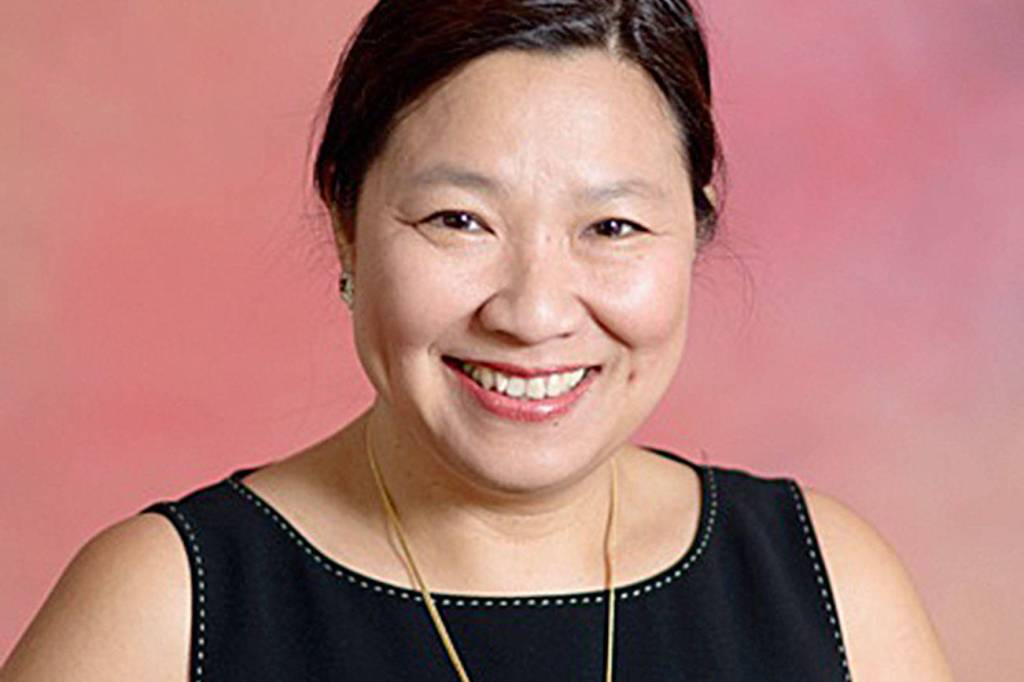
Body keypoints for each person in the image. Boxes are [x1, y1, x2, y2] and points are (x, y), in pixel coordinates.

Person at [2, 1, 954, 680]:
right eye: (459, 220)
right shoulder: (167, 609)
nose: (533, 313)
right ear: (345, 220)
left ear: (695, 228)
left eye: (612, 227)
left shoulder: (829, 589)